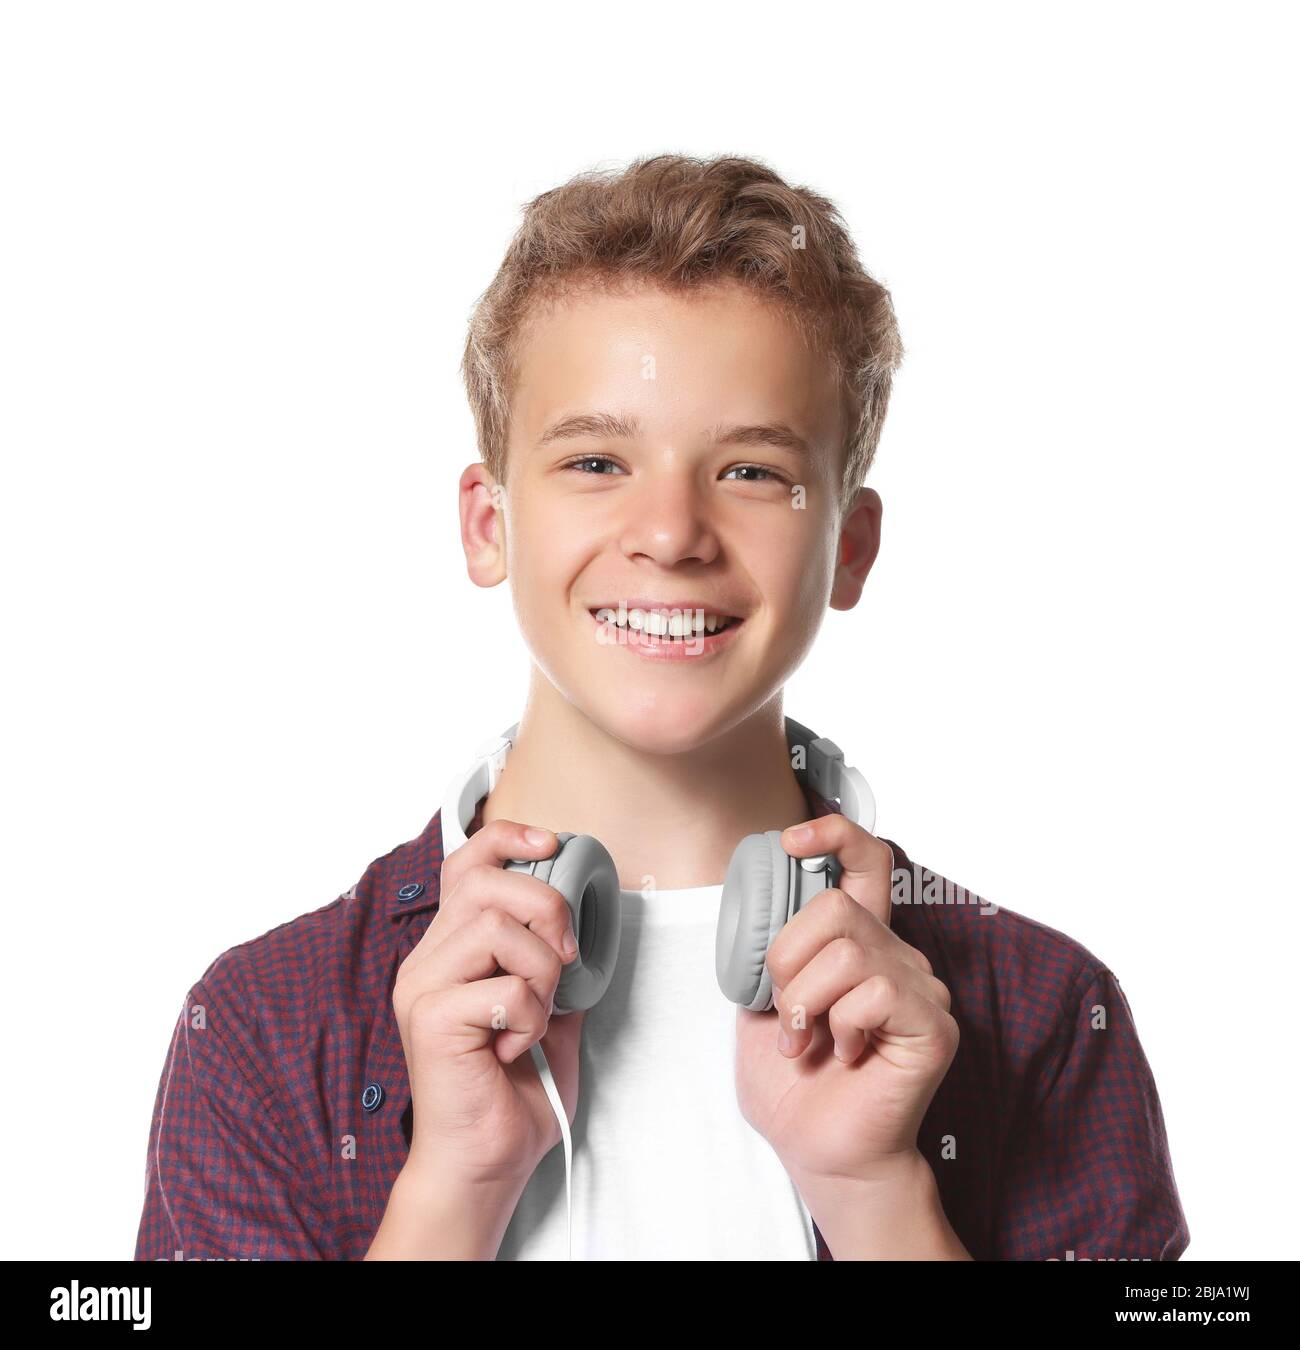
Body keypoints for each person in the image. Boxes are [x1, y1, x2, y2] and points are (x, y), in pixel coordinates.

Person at [134, 153, 1190, 1261]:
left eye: (748, 472)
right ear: (488, 525)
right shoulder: (261, 1027)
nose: (672, 533)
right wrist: (452, 1190)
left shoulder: (1047, 1017)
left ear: (852, 545)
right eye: (595, 460)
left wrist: (876, 1196)